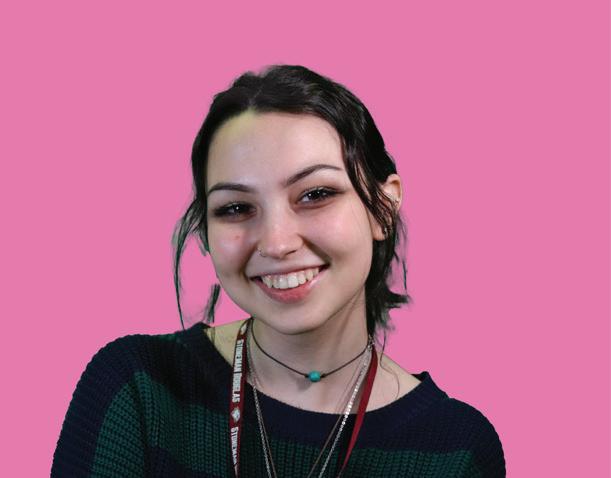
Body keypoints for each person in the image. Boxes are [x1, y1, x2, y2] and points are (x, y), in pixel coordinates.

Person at [51, 64, 506, 477]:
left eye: (315, 195)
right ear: (206, 234)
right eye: (235, 208)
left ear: (382, 209)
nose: (276, 243)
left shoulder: (456, 447)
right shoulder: (139, 388)